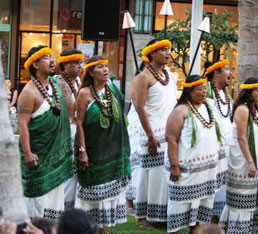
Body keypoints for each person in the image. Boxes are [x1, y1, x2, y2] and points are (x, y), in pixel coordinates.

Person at [17, 45, 73, 220]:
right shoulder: (29, 92)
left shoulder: (56, 85)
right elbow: (22, 125)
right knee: (38, 198)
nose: (52, 60)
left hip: (56, 153)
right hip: (38, 154)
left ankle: (51, 228)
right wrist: (27, 153)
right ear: (35, 64)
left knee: (55, 196)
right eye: (47, 57)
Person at [75, 56, 131, 229]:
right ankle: (89, 227)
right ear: (91, 73)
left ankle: (101, 228)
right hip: (94, 148)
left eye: (106, 66)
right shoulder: (84, 93)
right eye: (100, 67)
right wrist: (82, 150)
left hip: (112, 148)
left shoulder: (111, 88)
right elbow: (79, 123)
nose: (106, 70)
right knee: (93, 189)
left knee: (109, 190)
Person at [166, 75, 224, 233]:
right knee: (179, 204)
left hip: (206, 172)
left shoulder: (209, 107)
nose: (204, 92)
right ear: (189, 91)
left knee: (202, 207)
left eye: (205, 88)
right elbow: (171, 138)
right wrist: (174, 167)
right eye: (200, 89)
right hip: (186, 171)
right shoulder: (180, 110)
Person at [130, 39, 177, 227]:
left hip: (169, 131)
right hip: (152, 131)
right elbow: (139, 107)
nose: (167, 53)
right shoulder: (143, 77)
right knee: (151, 174)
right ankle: (145, 217)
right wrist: (150, 136)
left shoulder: (169, 76)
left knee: (166, 174)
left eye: (168, 50)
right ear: (151, 54)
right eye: (163, 50)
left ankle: (162, 215)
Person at [219, 78, 258, 233]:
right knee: (242, 196)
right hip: (243, 161)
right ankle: (237, 230)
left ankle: (249, 229)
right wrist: (251, 162)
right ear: (249, 92)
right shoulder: (243, 109)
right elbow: (242, 138)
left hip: (257, 160)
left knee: (253, 196)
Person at [204, 59, 232, 222]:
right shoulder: (206, 90)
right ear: (217, 72)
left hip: (226, 144)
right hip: (212, 145)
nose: (230, 73)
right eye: (227, 69)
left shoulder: (226, 94)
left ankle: (217, 218)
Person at [56, 49, 84, 210]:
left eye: (80, 63)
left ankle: (72, 211)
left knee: (76, 174)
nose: (79, 66)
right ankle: (63, 212)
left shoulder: (79, 82)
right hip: (65, 132)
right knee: (67, 173)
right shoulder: (59, 82)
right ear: (65, 65)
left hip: (77, 131)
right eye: (75, 63)